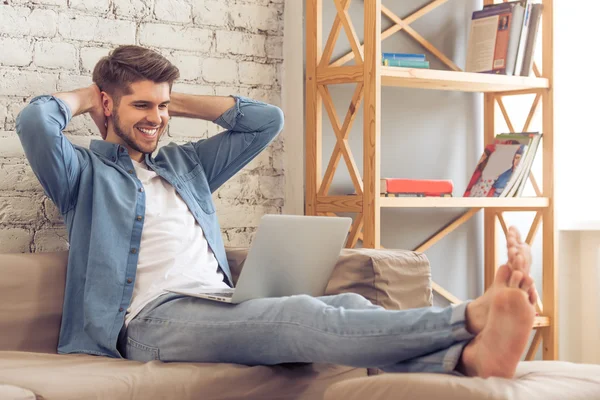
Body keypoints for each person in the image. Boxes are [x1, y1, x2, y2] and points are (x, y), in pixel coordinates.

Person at [16, 45, 538, 379]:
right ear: (109, 106)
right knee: (302, 315)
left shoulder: (186, 164)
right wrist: (91, 95)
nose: (157, 119)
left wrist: (175, 100)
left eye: (162, 107)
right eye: (142, 107)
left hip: (216, 300)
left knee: (350, 304)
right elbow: (36, 123)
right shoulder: (84, 174)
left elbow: (266, 121)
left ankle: (467, 360)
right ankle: (468, 317)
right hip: (147, 321)